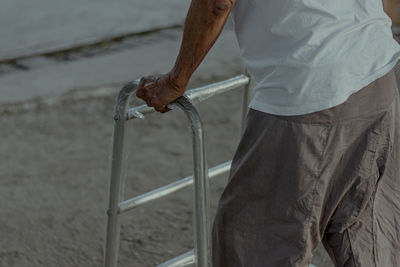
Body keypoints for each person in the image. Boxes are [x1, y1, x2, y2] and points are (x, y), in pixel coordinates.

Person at [136, 0, 400, 266]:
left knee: (253, 243)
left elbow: (215, 4)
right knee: (363, 232)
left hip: (306, 93)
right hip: (375, 71)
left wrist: (175, 81)